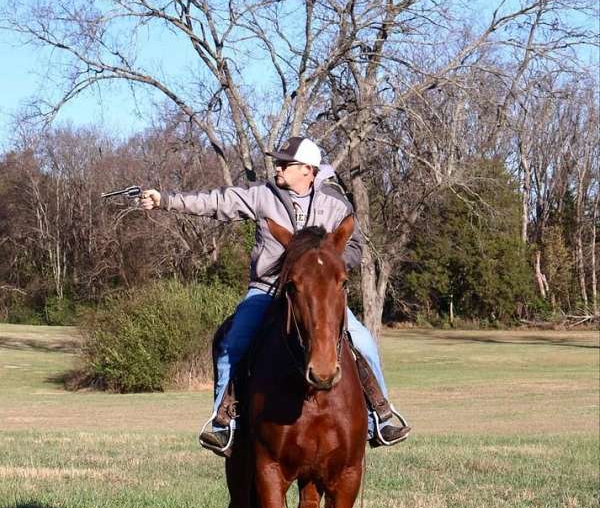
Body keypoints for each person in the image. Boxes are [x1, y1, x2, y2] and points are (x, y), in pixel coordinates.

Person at [140, 136, 411, 455]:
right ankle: (224, 423)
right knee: (233, 343)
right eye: (278, 162)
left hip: (318, 297)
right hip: (266, 291)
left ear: (308, 170)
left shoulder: (335, 204)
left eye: (286, 163)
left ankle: (378, 418)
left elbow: (354, 247)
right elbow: (216, 202)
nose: (278, 167)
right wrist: (165, 200)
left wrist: (327, 263)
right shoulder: (263, 196)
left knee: (364, 342)